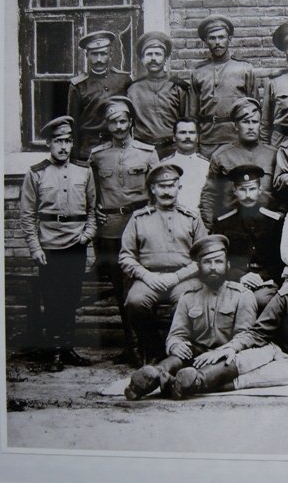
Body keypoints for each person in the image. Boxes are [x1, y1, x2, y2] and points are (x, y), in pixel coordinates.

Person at [183, 247, 288, 394]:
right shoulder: (286, 295)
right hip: (275, 349)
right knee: (242, 360)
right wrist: (232, 347)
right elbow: (258, 331)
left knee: (257, 378)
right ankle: (196, 378)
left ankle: (193, 386)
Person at [123, 235, 257, 400]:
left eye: (218, 262)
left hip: (228, 355)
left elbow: (246, 336)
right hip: (197, 354)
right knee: (177, 357)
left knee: (221, 365)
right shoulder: (188, 297)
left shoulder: (242, 295)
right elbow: (177, 334)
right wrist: (175, 345)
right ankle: (151, 377)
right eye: (207, 262)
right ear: (198, 266)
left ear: (227, 265)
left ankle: (186, 383)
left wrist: (223, 351)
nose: (213, 267)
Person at [20, 116, 97, 371]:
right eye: (58, 141)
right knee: (52, 298)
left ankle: (67, 348)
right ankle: (53, 351)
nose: (64, 147)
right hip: (49, 245)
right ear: (48, 144)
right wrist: (35, 248)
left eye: (68, 141)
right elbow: (27, 215)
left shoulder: (84, 171)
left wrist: (88, 234)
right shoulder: (36, 173)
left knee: (72, 297)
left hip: (76, 243)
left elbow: (93, 209)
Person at [88, 96, 158, 366]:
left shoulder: (147, 153)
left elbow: (157, 192)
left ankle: (148, 344)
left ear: (130, 122)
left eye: (122, 121)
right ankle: (132, 346)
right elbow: (92, 194)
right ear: (107, 125)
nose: (118, 127)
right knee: (121, 290)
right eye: (112, 122)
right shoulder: (98, 155)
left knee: (142, 287)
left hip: (140, 227)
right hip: (111, 230)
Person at [118, 162, 208, 363]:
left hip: (184, 278)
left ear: (179, 187)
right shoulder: (138, 219)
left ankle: (179, 351)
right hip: (149, 277)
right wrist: (147, 276)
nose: (167, 191)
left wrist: (177, 276)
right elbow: (126, 257)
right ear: (153, 189)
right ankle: (154, 351)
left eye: (171, 186)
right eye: (162, 186)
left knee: (186, 300)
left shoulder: (192, 218)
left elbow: (204, 257)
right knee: (135, 302)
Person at [212, 164, 284, 310]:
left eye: (252, 189)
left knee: (261, 300)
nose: (248, 195)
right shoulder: (223, 222)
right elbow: (220, 257)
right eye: (242, 190)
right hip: (234, 279)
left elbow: (279, 259)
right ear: (235, 191)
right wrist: (239, 276)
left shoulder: (274, 221)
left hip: (265, 281)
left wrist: (261, 276)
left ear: (260, 190)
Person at [199, 97, 277, 229]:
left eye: (255, 122)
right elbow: (209, 195)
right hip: (232, 227)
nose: (251, 127)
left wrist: (280, 216)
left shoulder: (274, 154)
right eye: (245, 122)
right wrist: (209, 227)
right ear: (235, 126)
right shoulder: (221, 156)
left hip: (268, 227)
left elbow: (283, 193)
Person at [190, 15, 256, 157]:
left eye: (221, 37)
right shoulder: (198, 72)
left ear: (229, 39)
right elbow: (192, 114)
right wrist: (195, 146)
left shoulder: (244, 68)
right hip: (208, 140)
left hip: (236, 139)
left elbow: (254, 111)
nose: (217, 42)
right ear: (205, 40)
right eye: (212, 38)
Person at [126, 31, 191, 158]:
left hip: (172, 149)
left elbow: (187, 120)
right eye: (149, 54)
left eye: (158, 54)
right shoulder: (133, 89)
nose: (153, 58)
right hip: (142, 150)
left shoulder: (178, 87)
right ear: (142, 59)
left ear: (165, 58)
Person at [68, 31, 131, 160]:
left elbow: (132, 117)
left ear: (110, 55)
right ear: (87, 55)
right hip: (89, 149)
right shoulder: (78, 85)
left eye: (103, 54)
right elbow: (73, 124)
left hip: (118, 147)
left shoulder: (123, 80)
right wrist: (75, 157)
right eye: (94, 54)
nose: (99, 60)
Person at [159, 117, 209, 212]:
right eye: (182, 132)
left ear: (197, 138)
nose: (187, 136)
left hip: (200, 218)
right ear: (174, 137)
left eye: (192, 132)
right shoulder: (164, 165)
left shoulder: (207, 165)